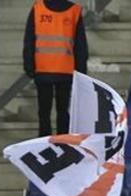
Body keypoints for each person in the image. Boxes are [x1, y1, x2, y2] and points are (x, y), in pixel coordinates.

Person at [22, 0, 88, 137]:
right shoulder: (74, 11)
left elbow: (29, 39)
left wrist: (29, 65)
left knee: (44, 112)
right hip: (66, 70)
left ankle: (44, 143)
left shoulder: (38, 8)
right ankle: (63, 143)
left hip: (43, 69)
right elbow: (80, 46)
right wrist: (81, 72)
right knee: (63, 111)